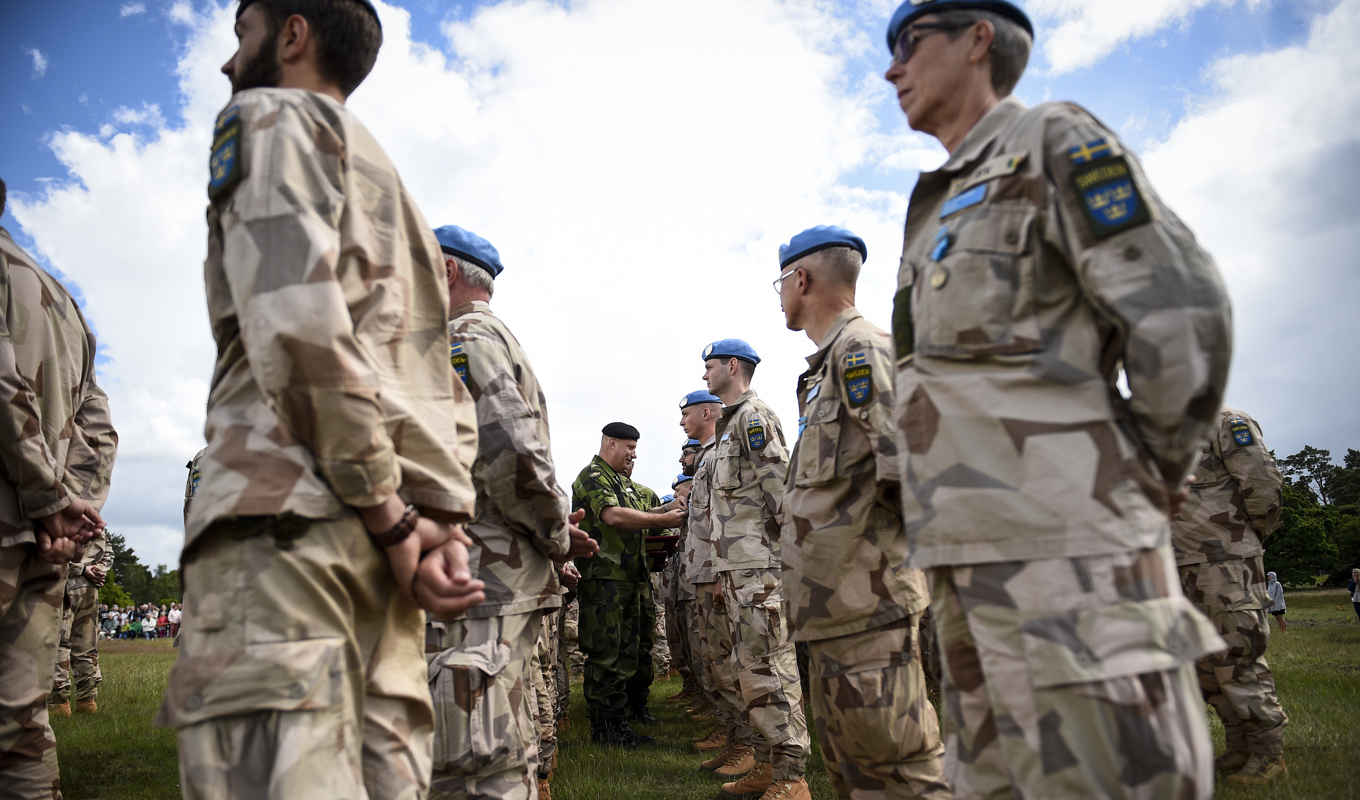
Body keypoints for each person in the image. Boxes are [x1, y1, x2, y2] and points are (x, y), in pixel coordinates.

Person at [882, 1, 1234, 797]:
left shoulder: (1050, 140)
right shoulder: (937, 203)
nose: (891, 68)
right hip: (967, 561)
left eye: (908, 43)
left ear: (978, 39)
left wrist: (1144, 468)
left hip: (1069, 556)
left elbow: (1179, 311)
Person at [153, 3, 487, 797]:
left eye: (243, 36)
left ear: (293, 35)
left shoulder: (266, 117)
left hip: (291, 532)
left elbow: (295, 326)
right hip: (383, 556)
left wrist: (393, 516)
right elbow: (439, 383)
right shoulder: (395, 192)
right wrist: (437, 524)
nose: (229, 64)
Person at [423, 224, 597, 800]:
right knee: (493, 744)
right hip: (486, 575)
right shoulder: (479, 338)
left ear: (446, 271)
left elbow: (511, 453)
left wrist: (556, 535)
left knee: (473, 760)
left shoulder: (463, 339)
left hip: (481, 575)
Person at [776, 225, 949, 799]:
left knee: (902, 770)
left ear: (801, 279)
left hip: (869, 606)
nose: (780, 294)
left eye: (781, 282)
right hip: (836, 611)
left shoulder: (862, 351)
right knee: (859, 774)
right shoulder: (827, 367)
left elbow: (915, 472)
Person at [0, 176, 118, 797]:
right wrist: (72, 509)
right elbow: (98, 422)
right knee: (20, 723)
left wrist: (49, 497)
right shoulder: (62, 301)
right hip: (46, 539)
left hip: (19, 511)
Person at [701, 340, 811, 800]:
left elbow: (781, 493)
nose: (704, 375)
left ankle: (792, 778)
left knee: (772, 666)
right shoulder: (729, 425)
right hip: (738, 567)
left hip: (761, 568)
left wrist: (787, 562)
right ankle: (767, 765)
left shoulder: (754, 417)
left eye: (709, 366)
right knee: (751, 670)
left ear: (732, 366)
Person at [1173, 407, 1288, 785]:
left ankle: (1269, 753)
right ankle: (1239, 745)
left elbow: (1261, 482)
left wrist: (1248, 539)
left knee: (1238, 655)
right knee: (1205, 666)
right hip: (1178, 565)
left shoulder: (1224, 421)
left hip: (1225, 561)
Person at [572, 422, 686, 748]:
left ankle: (619, 722)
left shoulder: (618, 481)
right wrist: (664, 520)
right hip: (604, 578)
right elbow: (614, 517)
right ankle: (604, 729)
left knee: (626, 653)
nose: (633, 454)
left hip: (628, 578)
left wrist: (664, 509)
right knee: (605, 654)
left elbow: (637, 513)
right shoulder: (593, 475)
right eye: (629, 448)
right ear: (611, 443)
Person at [678, 391, 741, 759]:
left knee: (725, 661)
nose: (682, 421)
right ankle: (734, 736)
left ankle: (746, 744)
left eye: (686, 413)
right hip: (701, 573)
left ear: (706, 412)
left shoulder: (717, 453)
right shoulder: (706, 458)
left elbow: (723, 518)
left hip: (714, 572)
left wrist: (720, 573)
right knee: (713, 662)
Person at [50, 536, 114, 715]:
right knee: (86, 646)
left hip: (64, 584)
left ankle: (59, 703)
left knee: (59, 643)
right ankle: (87, 700)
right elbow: (108, 551)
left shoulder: (59, 512)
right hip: (89, 586)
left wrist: (82, 569)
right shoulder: (93, 517)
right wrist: (98, 570)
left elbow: (51, 550)